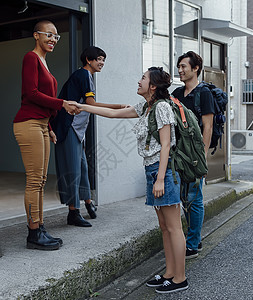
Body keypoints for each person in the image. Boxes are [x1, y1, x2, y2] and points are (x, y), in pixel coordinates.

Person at [73, 67, 188, 294]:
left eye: (143, 78)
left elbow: (166, 145)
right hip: (152, 170)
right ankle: (169, 273)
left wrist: (161, 179)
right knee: (164, 227)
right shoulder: (147, 107)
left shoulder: (162, 107)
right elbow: (115, 114)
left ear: (153, 86)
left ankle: (180, 278)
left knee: (174, 227)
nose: (139, 81)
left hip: (163, 171)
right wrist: (82, 107)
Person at [13, 20, 79, 251]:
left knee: (41, 180)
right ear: (36, 36)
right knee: (34, 180)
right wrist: (62, 103)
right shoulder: (31, 58)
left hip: (41, 124)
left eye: (56, 36)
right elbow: (31, 93)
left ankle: (39, 227)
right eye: (48, 35)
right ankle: (33, 233)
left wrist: (49, 126)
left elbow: (44, 101)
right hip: (28, 123)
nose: (53, 39)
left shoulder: (44, 61)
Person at [51, 46, 125, 227]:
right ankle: (73, 212)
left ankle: (88, 203)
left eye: (103, 60)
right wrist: (118, 107)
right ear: (88, 60)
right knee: (73, 170)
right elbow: (91, 103)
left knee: (82, 167)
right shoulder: (83, 75)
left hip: (77, 130)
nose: (101, 63)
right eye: (99, 59)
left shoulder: (86, 76)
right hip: (68, 128)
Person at [171, 51, 215, 259]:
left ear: (195, 68)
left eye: (183, 66)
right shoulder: (178, 93)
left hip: (195, 154)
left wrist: (203, 155)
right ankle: (192, 239)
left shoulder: (204, 93)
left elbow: (208, 126)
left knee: (194, 198)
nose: (180, 70)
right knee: (183, 197)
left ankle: (193, 243)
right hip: (180, 153)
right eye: (178, 67)